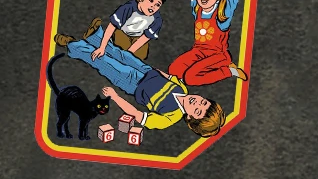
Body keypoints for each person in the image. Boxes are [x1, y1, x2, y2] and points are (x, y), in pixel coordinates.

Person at [55, 29, 224, 136]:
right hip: (145, 70)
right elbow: (168, 77)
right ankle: (95, 37)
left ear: (191, 118)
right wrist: (153, 70)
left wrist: (115, 96)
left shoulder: (170, 117)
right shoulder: (183, 89)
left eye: (198, 110)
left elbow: (136, 114)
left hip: (132, 83)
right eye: (203, 102)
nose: (197, 103)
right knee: (120, 54)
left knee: (104, 62)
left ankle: (73, 46)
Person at [168, 0, 248, 86]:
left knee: (190, 78)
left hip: (218, 55)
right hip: (198, 52)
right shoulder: (197, 9)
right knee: (174, 70)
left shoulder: (223, 13)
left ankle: (229, 71)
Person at [58, 0, 168, 63]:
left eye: (158, 4)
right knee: (118, 48)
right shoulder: (128, 8)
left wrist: (128, 54)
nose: (153, 6)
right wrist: (102, 47)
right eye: (151, 1)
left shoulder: (157, 19)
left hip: (137, 37)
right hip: (122, 33)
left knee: (140, 55)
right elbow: (112, 26)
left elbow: (145, 38)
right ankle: (94, 35)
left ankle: (93, 36)